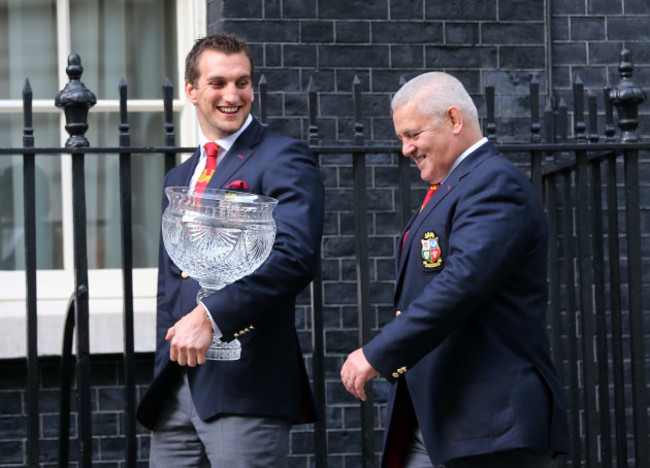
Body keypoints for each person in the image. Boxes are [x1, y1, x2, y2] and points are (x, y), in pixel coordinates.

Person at [340, 72, 569, 468]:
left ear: (454, 119)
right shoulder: (460, 185)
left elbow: (460, 284)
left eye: (412, 134)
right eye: (401, 138)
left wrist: (378, 352)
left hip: (490, 427)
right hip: (445, 421)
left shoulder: (493, 184)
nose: (406, 149)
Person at [136, 33, 325, 467]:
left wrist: (210, 315)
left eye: (242, 82)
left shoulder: (283, 157)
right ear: (192, 90)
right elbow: (174, 283)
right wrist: (167, 363)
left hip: (247, 382)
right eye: (218, 82)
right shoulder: (179, 176)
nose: (232, 95)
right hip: (176, 387)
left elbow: (295, 257)